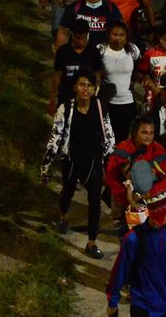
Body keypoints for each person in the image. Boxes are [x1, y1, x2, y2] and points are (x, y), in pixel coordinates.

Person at [41, 74, 114, 259]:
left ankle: (92, 242)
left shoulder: (99, 106)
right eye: (82, 84)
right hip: (72, 160)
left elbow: (108, 133)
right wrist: (46, 165)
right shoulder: (65, 108)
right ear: (75, 87)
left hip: (93, 162)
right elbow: (55, 135)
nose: (86, 89)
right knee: (68, 192)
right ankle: (63, 215)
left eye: (90, 85)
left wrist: (109, 158)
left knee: (95, 201)